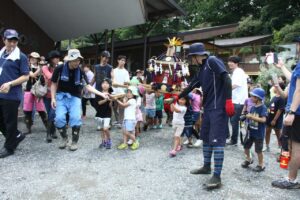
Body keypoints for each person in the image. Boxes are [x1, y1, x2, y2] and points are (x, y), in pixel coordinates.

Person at [178, 43, 234, 189]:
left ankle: (217, 176)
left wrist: (228, 100)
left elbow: (227, 79)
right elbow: (191, 86)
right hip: (208, 109)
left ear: (197, 56)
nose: (192, 60)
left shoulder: (212, 61)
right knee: (206, 138)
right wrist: (176, 97)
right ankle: (206, 166)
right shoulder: (202, 69)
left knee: (217, 141)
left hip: (219, 108)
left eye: (192, 57)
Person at [51, 49, 108, 151]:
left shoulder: (81, 71)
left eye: (79, 60)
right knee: (59, 119)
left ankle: (74, 142)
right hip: (61, 96)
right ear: (69, 60)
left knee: (75, 117)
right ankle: (65, 138)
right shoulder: (59, 68)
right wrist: (52, 98)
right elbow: (54, 83)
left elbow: (88, 86)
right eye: (75, 60)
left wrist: (101, 94)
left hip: (75, 97)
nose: (77, 62)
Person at [0, 29, 29, 158]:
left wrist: (10, 84)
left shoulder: (21, 57)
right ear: (3, 40)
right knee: (2, 121)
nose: (12, 43)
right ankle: (16, 136)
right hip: (0, 93)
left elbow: (26, 76)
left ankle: (9, 147)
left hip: (12, 95)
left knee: (10, 121)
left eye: (14, 41)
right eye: (9, 40)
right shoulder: (1, 54)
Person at [272, 55, 300, 189]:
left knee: (296, 147)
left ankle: (292, 180)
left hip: (297, 113)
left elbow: (299, 89)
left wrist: (292, 112)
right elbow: (293, 80)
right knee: (292, 145)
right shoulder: (296, 72)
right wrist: (282, 66)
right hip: (295, 113)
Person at [241, 88, 267, 172]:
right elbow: (250, 118)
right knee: (246, 146)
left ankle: (261, 164)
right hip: (251, 132)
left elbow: (263, 120)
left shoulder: (263, 108)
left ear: (258, 98)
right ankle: (249, 159)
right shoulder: (252, 107)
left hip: (259, 133)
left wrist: (251, 117)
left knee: (258, 150)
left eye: (253, 97)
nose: (251, 98)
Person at [23, 52, 47, 134]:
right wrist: (40, 69)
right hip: (29, 89)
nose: (33, 59)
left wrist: (42, 68)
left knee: (41, 109)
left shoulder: (42, 68)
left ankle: (48, 126)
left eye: (35, 58)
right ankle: (28, 128)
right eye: (31, 57)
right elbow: (32, 75)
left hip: (38, 91)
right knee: (27, 109)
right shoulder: (27, 66)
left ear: (38, 59)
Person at [227, 56, 248, 146]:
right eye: (229, 61)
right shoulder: (235, 72)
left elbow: (235, 85)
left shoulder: (238, 72)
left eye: (232, 62)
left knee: (233, 121)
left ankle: (234, 140)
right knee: (232, 120)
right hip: (235, 100)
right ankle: (230, 137)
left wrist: (225, 91)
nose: (229, 63)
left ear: (236, 63)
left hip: (238, 101)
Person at [89, 51, 113, 130]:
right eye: (105, 57)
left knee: (107, 106)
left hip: (107, 89)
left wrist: (111, 87)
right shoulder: (96, 67)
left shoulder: (110, 67)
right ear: (101, 57)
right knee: (98, 105)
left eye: (108, 58)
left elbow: (113, 78)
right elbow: (95, 77)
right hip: (98, 89)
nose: (106, 59)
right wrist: (89, 86)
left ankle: (108, 122)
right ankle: (100, 122)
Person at [42, 50, 60, 142]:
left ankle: (48, 134)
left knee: (52, 114)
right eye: (55, 58)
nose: (57, 59)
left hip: (55, 96)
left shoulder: (59, 67)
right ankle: (53, 131)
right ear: (50, 59)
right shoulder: (45, 67)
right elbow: (50, 77)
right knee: (50, 114)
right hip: (46, 95)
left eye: (58, 57)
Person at [116, 86, 139, 150]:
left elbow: (123, 105)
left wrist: (117, 99)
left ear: (133, 94)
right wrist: (124, 100)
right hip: (126, 119)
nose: (128, 94)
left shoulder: (132, 100)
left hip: (130, 120)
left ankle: (136, 142)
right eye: (127, 92)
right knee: (124, 132)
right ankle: (124, 143)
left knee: (127, 132)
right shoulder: (129, 100)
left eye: (130, 92)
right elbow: (124, 106)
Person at [264, 84, 285, 152]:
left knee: (278, 134)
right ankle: (267, 146)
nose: (273, 88)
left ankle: (281, 147)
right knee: (267, 132)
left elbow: (280, 110)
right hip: (269, 118)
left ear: (279, 88)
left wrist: (274, 120)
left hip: (276, 119)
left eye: (274, 87)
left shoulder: (281, 98)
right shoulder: (274, 97)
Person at [112, 55, 130, 127]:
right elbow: (111, 82)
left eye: (124, 61)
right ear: (118, 61)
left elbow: (127, 82)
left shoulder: (125, 72)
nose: (122, 62)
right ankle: (117, 120)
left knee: (121, 107)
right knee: (113, 107)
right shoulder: (113, 70)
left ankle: (120, 122)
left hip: (122, 92)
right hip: (113, 92)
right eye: (121, 60)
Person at [95, 78, 113, 149]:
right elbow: (99, 103)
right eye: (103, 83)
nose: (105, 85)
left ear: (109, 85)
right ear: (101, 85)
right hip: (99, 113)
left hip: (107, 114)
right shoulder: (99, 93)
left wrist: (111, 100)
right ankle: (103, 141)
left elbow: (110, 106)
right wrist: (106, 99)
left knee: (105, 128)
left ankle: (109, 140)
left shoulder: (111, 94)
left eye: (106, 83)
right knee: (102, 129)